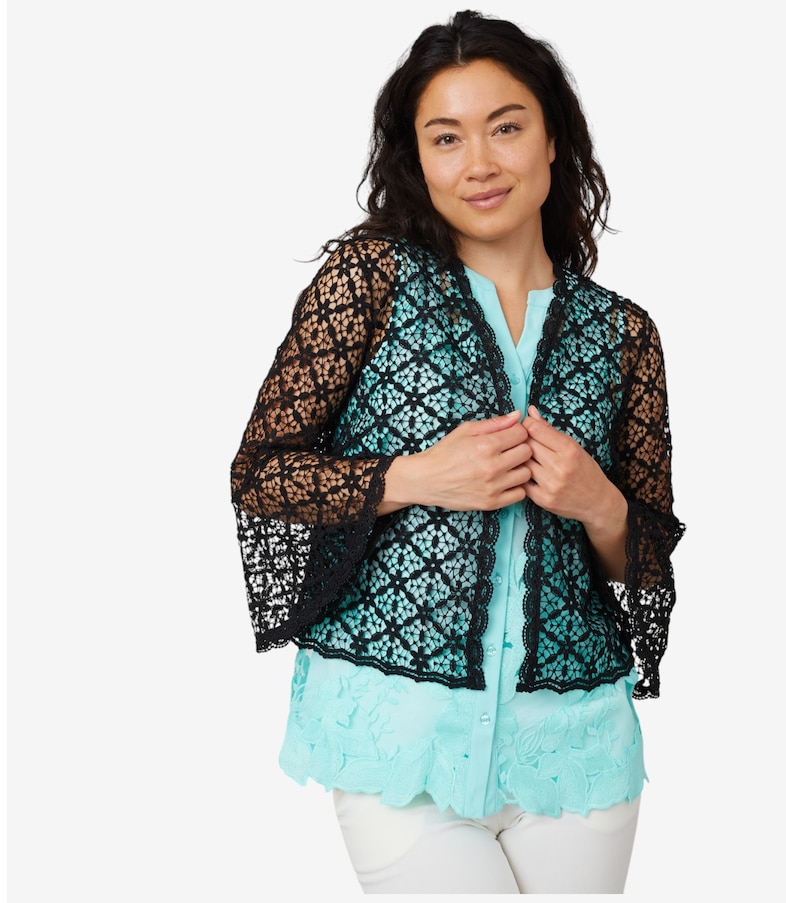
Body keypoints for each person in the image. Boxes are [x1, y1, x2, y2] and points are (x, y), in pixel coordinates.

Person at [230, 9, 684, 894]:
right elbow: (261, 472)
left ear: (553, 140)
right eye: (447, 138)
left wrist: (598, 502)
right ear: (418, 159)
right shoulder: (369, 283)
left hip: (576, 753)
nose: (479, 162)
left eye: (505, 127)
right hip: (400, 740)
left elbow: (647, 559)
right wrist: (414, 476)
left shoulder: (624, 334)